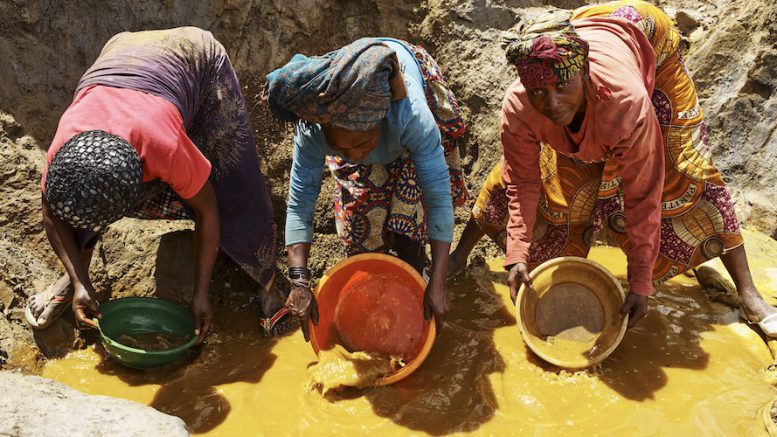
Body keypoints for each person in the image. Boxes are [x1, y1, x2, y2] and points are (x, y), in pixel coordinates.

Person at [448, 0, 777, 335]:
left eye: (561, 87)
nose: (552, 102)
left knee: (685, 172)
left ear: (585, 72)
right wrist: (518, 252)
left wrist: (639, 284)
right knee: (559, 186)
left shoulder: (625, 102)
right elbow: (522, 181)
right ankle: (458, 257)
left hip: (648, 40)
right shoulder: (521, 105)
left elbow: (642, 193)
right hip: (579, 34)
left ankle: (750, 296)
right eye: (539, 92)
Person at [25, 27, 290, 340]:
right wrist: (82, 281)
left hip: (194, 57)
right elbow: (52, 211)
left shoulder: (161, 145)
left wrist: (200, 293)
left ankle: (268, 283)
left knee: (231, 177)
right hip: (121, 54)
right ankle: (75, 282)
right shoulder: (65, 153)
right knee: (83, 201)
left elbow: (207, 210)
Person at [266, 37, 468, 340]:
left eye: (362, 143)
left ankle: (416, 270)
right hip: (356, 110)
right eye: (340, 146)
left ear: (380, 120)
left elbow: (438, 200)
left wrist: (438, 283)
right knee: (360, 230)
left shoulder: (410, 116)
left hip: (407, 110)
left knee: (409, 214)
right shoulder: (314, 127)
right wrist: (299, 281)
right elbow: (300, 204)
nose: (355, 153)